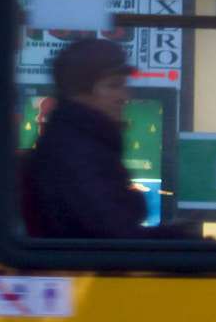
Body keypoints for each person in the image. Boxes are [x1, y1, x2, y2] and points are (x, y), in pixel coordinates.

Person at [24, 37, 174, 240]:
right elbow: (116, 239)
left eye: (123, 85)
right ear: (78, 94)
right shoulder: (75, 153)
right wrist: (190, 244)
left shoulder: (81, 143)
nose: (124, 96)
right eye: (113, 86)